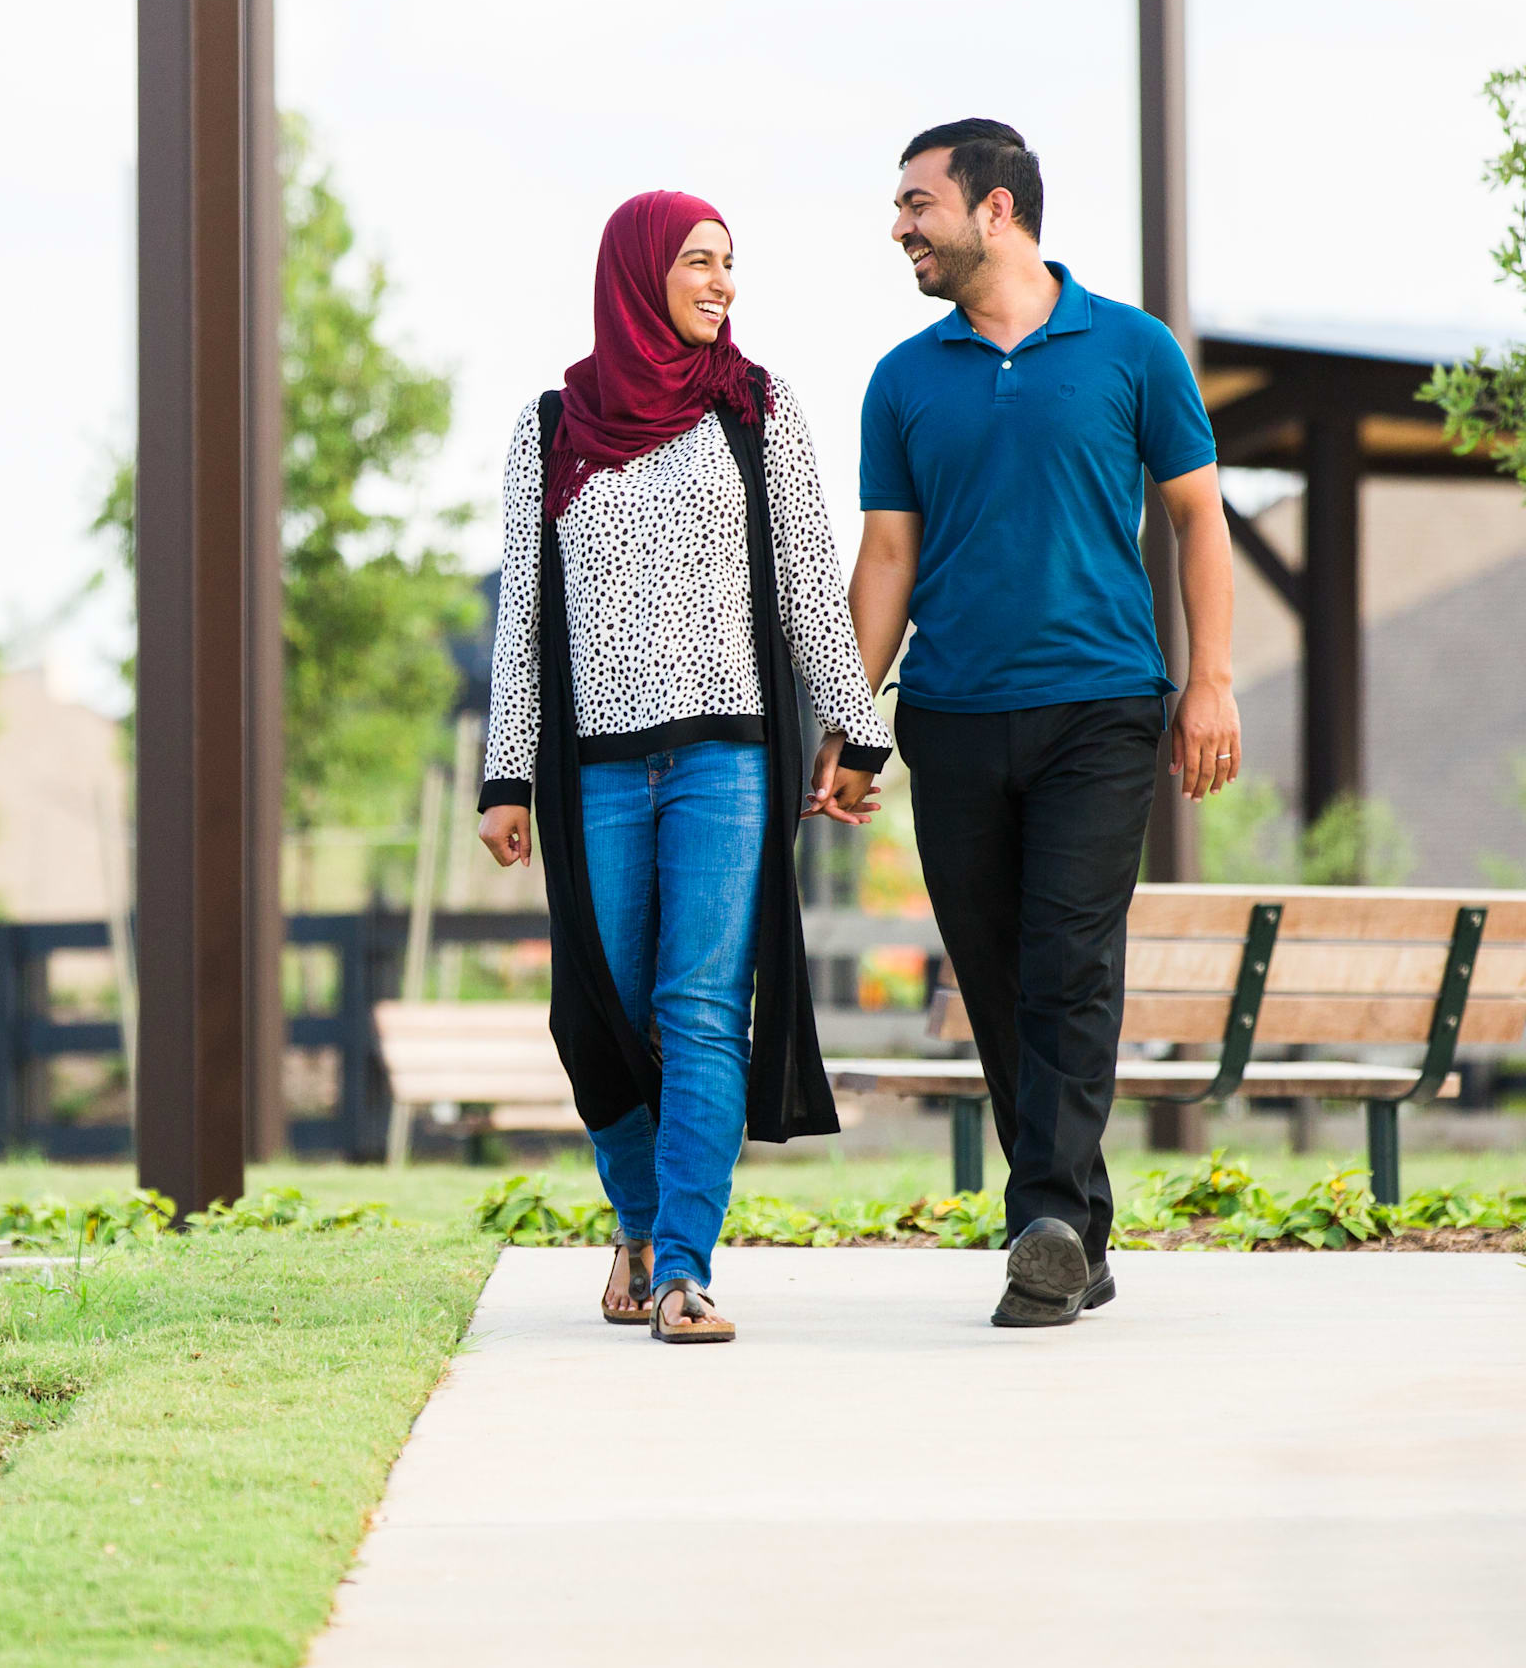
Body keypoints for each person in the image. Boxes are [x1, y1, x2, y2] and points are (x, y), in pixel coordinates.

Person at [850, 119, 1244, 1329]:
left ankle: (1046, 1225)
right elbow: (887, 557)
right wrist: (847, 719)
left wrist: (1210, 680)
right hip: (955, 715)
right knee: (996, 972)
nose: (901, 226)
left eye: (920, 203)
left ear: (998, 209)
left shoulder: (1132, 351)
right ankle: (1075, 1224)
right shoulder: (904, 377)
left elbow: (1197, 518)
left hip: (1102, 708)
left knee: (1071, 960)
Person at [478, 190, 891, 1345]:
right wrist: (505, 776)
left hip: (729, 759)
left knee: (702, 1008)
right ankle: (641, 1224)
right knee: (597, 1017)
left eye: (730, 264)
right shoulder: (551, 423)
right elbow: (527, 613)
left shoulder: (754, 407)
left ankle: (682, 1270)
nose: (723, 284)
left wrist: (857, 732)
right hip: (595, 770)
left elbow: (809, 579)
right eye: (700, 263)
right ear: (639, 273)